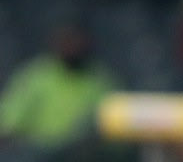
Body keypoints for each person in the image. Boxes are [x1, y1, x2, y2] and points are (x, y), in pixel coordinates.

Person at [0, 18, 117, 147]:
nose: (72, 46)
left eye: (76, 40)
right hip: (37, 155)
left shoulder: (101, 82)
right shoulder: (36, 77)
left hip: (84, 154)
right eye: (67, 40)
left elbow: (115, 130)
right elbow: (8, 121)